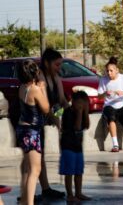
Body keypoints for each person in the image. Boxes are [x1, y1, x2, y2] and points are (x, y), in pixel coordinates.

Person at [16, 60, 49, 205]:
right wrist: (43, 89)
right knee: (35, 170)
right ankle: (29, 203)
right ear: (35, 72)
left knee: (29, 168)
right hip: (32, 131)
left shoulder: (22, 88)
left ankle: (24, 201)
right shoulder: (34, 89)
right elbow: (46, 108)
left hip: (22, 129)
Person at [38, 48, 69, 199]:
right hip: (34, 120)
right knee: (37, 157)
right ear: (46, 63)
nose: (59, 68)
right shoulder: (40, 76)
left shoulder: (55, 77)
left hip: (48, 115)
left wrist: (72, 112)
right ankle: (40, 190)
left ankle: (44, 189)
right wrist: (59, 123)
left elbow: (61, 101)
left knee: (38, 157)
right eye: (56, 65)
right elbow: (45, 106)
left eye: (60, 64)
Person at [59, 90, 91, 202]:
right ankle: (70, 195)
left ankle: (78, 193)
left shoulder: (82, 113)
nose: (84, 105)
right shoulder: (68, 112)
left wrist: (85, 113)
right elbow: (77, 127)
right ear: (74, 102)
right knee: (69, 172)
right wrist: (79, 113)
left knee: (78, 171)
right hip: (68, 146)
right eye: (82, 103)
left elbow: (86, 126)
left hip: (78, 147)